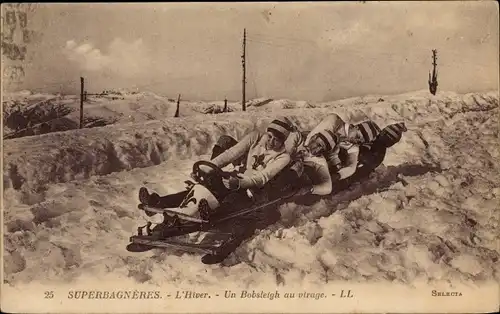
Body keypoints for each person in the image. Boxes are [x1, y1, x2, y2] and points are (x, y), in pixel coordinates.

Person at [138, 117, 295, 218]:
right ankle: (157, 203)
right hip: (238, 178)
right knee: (205, 187)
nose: (271, 142)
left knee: (233, 198)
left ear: (283, 142)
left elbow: (262, 178)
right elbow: (230, 154)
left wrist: (239, 183)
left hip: (255, 189)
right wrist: (207, 169)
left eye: (276, 140)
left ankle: (213, 215)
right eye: (270, 136)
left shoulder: (283, 157)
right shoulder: (255, 137)